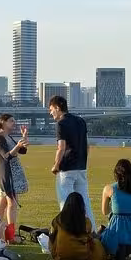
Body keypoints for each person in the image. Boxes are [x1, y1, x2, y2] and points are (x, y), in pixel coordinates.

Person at [49, 95, 96, 231]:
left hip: (67, 169)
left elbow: (61, 147)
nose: (50, 112)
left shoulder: (61, 124)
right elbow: (87, 146)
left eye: (51, 109)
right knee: (84, 202)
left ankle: (68, 233)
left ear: (58, 108)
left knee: (66, 203)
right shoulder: (81, 121)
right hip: (81, 167)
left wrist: (56, 165)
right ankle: (91, 231)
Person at [100, 159, 131, 260]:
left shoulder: (109, 188)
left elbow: (105, 212)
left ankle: (118, 252)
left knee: (101, 235)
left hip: (116, 229)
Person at [0, 114, 28, 243]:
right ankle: (10, 236)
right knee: (12, 203)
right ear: (3, 122)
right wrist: (18, 146)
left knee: (1, 205)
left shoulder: (8, 136)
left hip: (13, 172)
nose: (14, 123)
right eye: (11, 121)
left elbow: (22, 152)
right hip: (7, 173)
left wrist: (24, 138)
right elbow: (6, 156)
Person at [49, 192, 106, 260]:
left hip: (61, 256)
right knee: (97, 243)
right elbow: (89, 238)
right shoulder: (86, 221)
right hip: (82, 256)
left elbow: (51, 236)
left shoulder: (58, 219)